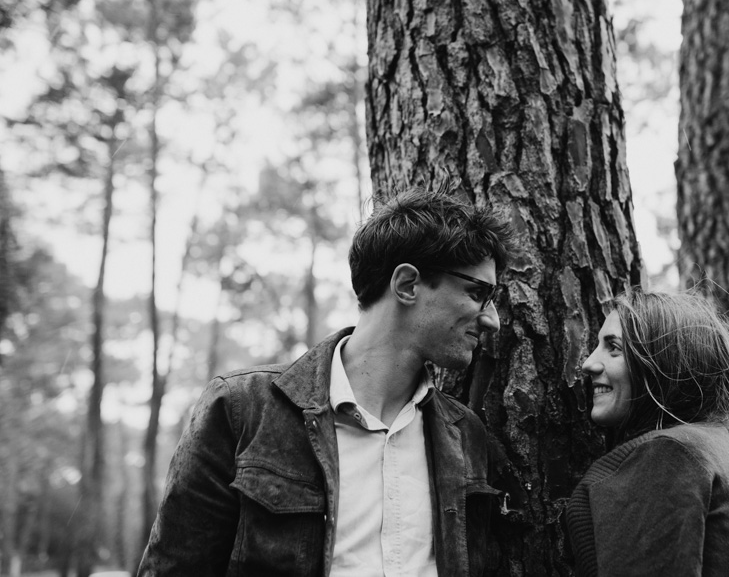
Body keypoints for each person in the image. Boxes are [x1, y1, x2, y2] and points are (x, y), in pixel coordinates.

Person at [138, 186, 515, 577]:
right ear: (407, 285)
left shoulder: (465, 434)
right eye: (477, 293)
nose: (492, 320)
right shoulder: (241, 409)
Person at [567, 288, 729, 577]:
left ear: (665, 361)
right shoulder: (708, 447)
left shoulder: (670, 454)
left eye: (613, 348)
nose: (588, 363)